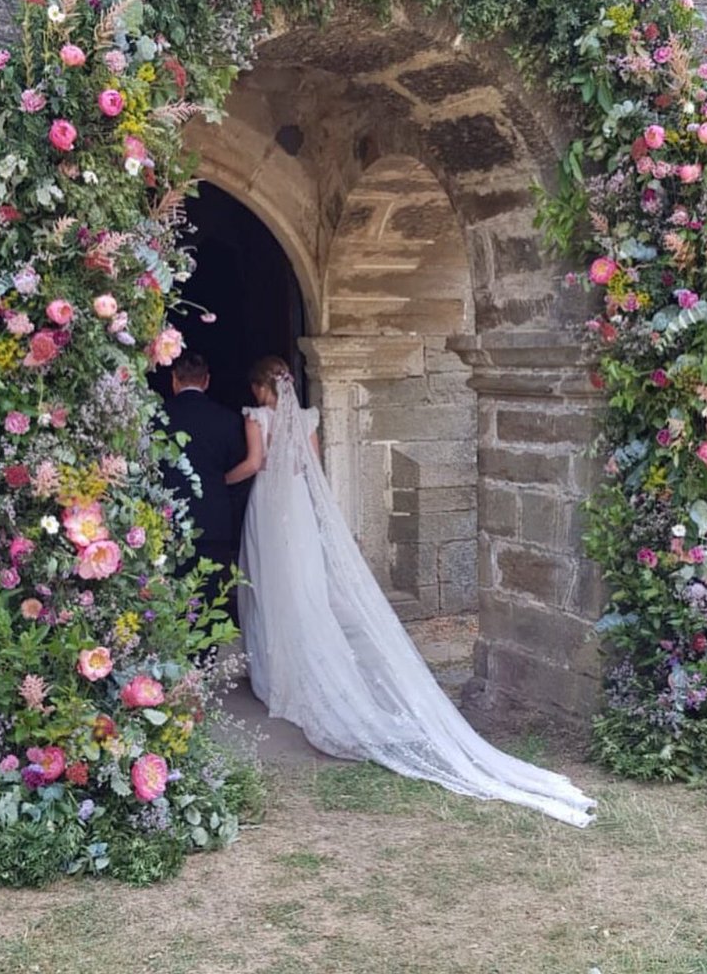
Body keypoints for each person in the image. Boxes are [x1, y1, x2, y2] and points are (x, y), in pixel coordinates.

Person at [226, 356, 596, 828]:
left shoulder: (257, 417)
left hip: (268, 506)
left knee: (277, 590)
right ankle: (303, 664)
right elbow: (311, 465)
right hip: (298, 506)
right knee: (305, 589)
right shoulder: (307, 418)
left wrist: (223, 480)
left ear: (261, 388)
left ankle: (280, 675)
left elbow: (256, 463)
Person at [164, 352, 245, 624]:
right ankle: (205, 661)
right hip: (214, 521)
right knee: (209, 599)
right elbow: (237, 468)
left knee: (169, 599)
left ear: (174, 380)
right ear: (207, 381)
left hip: (167, 522)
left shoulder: (158, 417)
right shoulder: (228, 420)